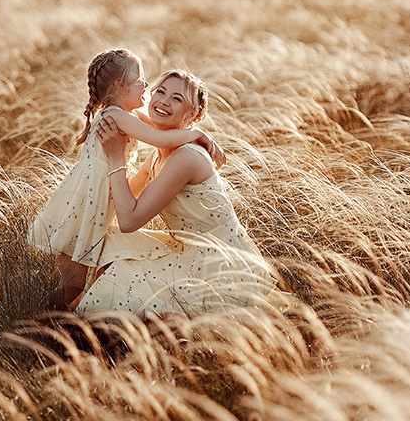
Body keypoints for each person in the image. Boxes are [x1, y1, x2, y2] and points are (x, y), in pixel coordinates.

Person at [27, 49, 224, 308]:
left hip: (93, 203)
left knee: (76, 285)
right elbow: (159, 137)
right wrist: (198, 133)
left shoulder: (124, 115)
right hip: (87, 205)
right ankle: (38, 319)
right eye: (140, 80)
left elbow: (156, 130)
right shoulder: (116, 115)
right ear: (120, 86)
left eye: (176, 98)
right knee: (74, 285)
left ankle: (46, 319)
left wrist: (191, 134)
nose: (147, 85)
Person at [73, 69, 278, 316]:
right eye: (160, 92)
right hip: (185, 250)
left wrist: (116, 155)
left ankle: (79, 324)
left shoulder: (186, 157)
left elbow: (129, 220)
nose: (164, 101)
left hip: (216, 266)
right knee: (109, 242)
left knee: (123, 278)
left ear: (192, 115)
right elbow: (120, 203)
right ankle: (72, 310)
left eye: (177, 99)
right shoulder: (158, 156)